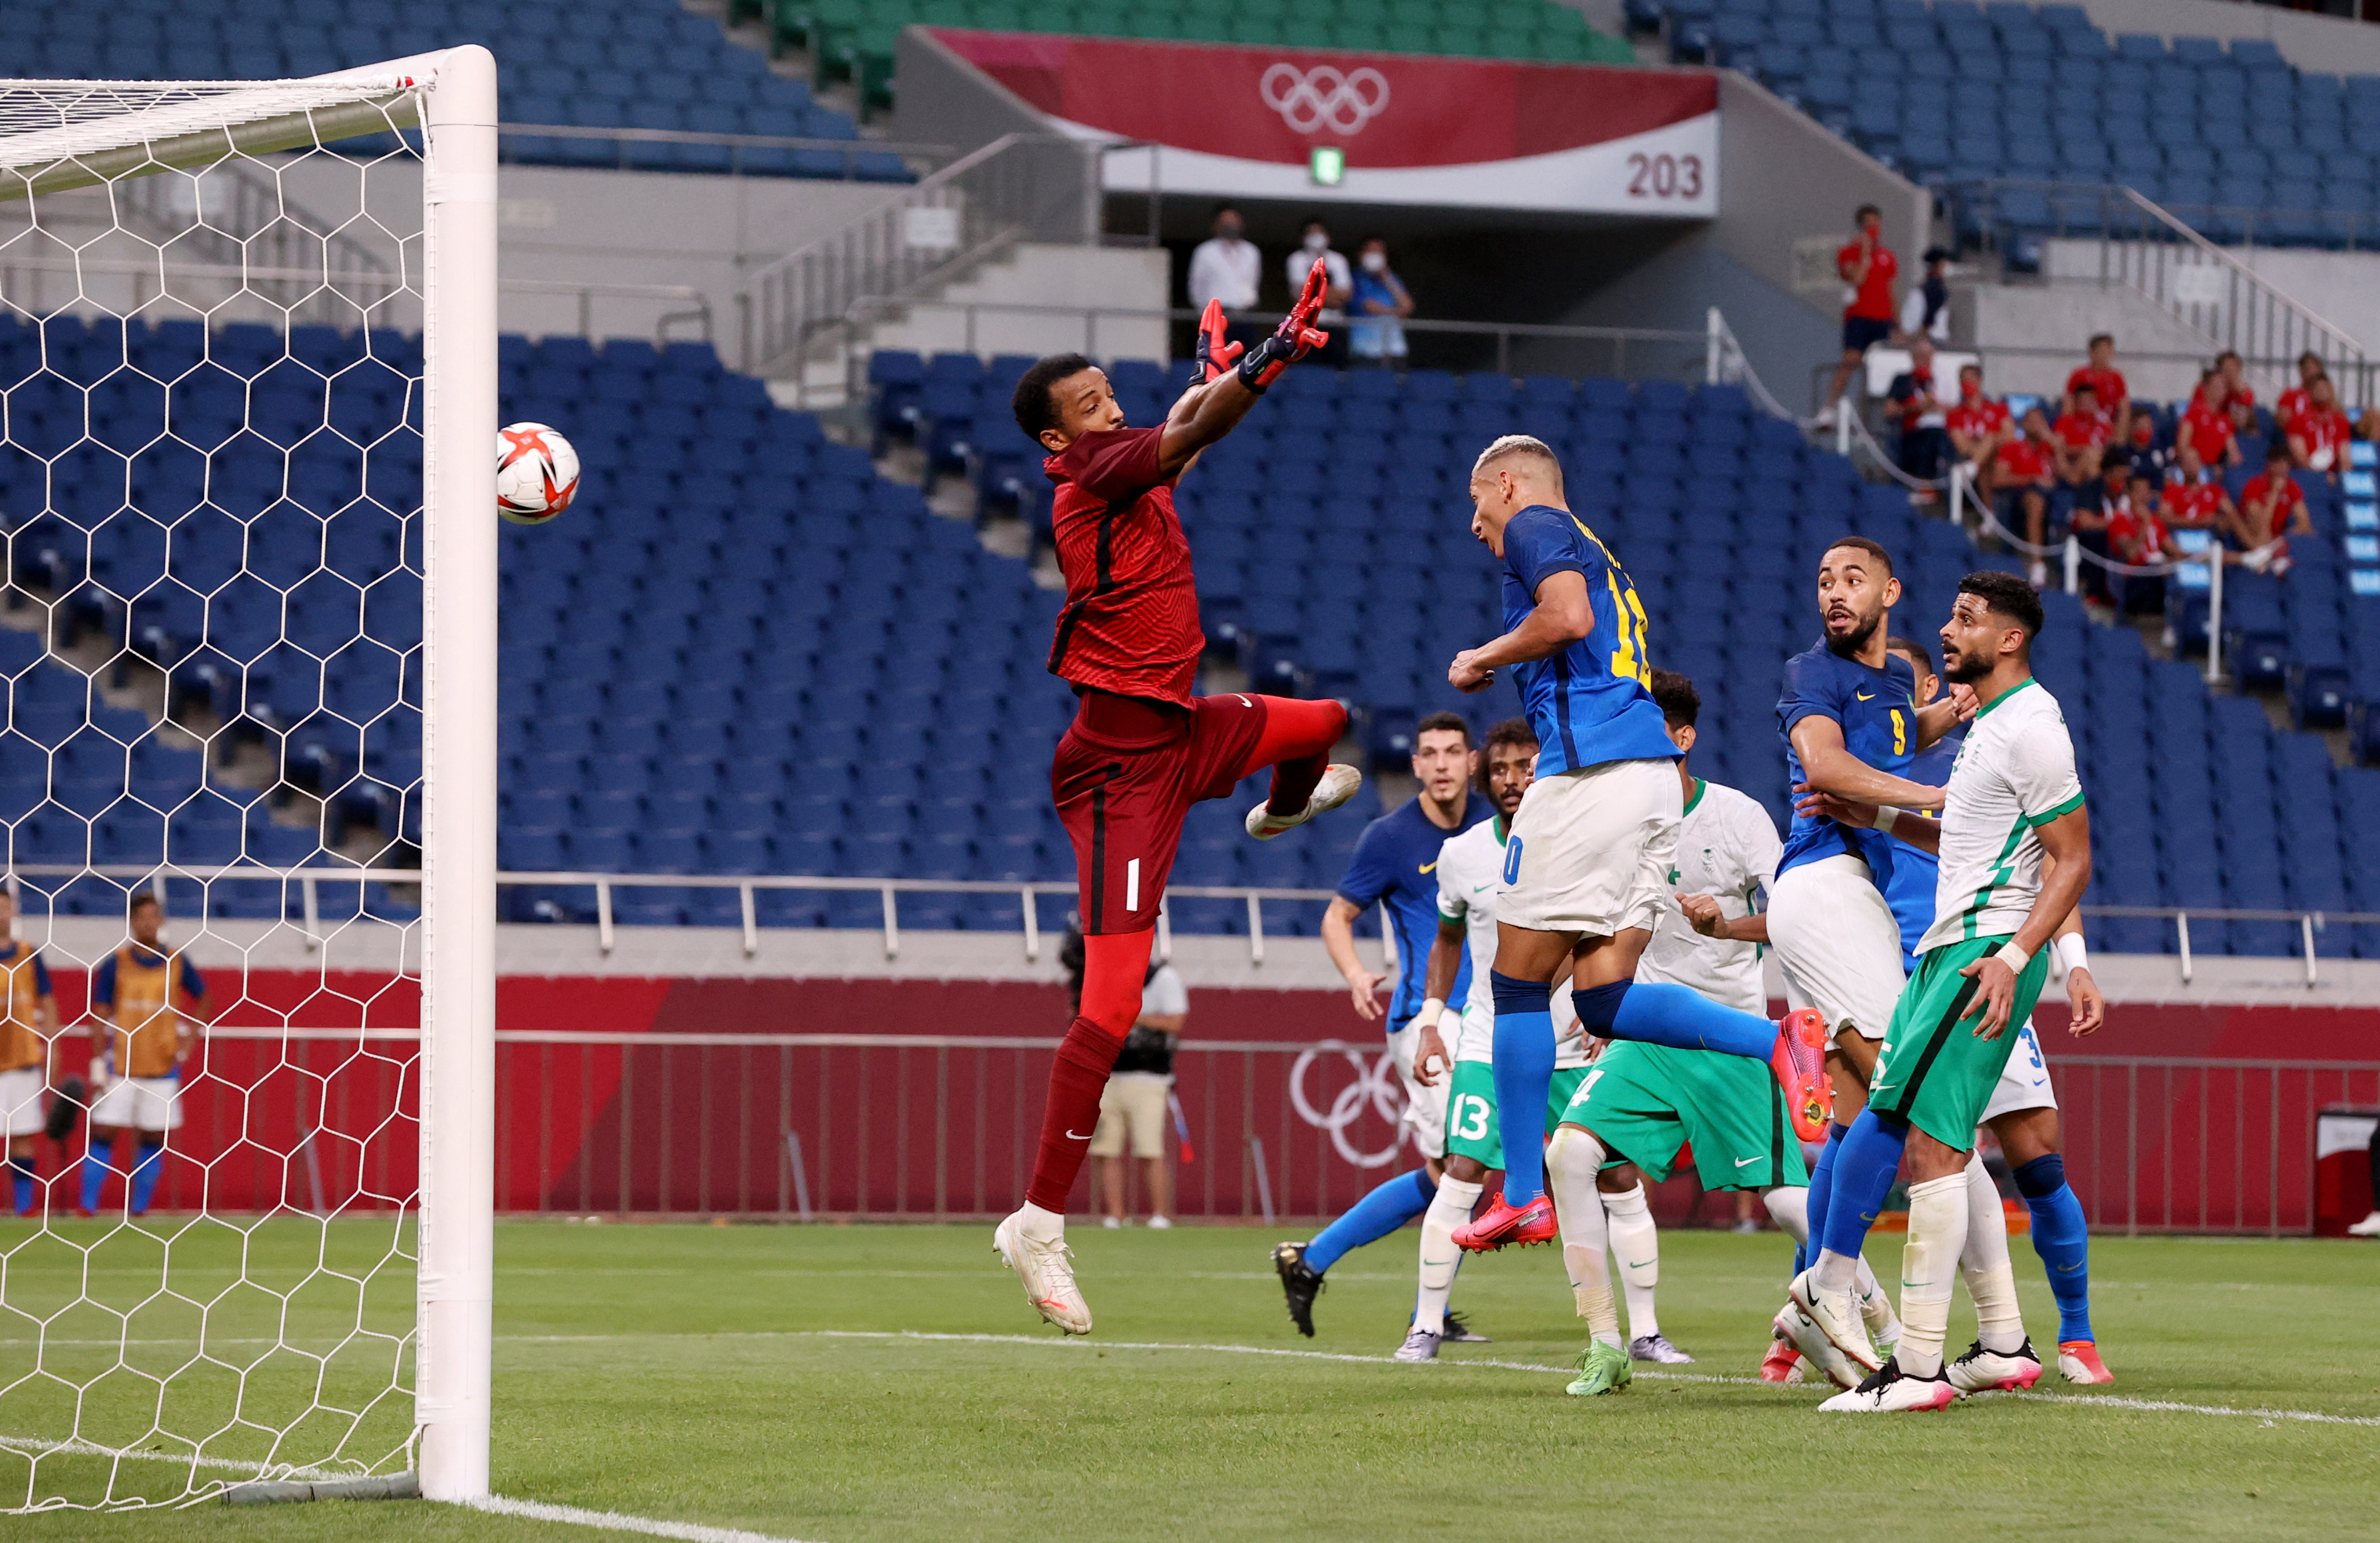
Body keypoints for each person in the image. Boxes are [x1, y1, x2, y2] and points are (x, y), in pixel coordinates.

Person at [993, 270, 1354, 1336]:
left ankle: (1280, 811)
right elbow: (1196, 425)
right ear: (1058, 441)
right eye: (1090, 401)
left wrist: (1221, 380)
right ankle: (1036, 1223)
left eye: (1110, 390)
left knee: (1323, 721)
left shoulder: (1123, 463)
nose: (1110, 405)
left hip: (1182, 734)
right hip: (1120, 773)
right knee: (1108, 1011)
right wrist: (1265, 358)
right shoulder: (1090, 475)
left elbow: (1193, 430)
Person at [1441, 435, 1831, 1255]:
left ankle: (1519, 1193)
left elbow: (1565, 618)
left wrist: (1484, 653)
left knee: (1514, 985)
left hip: (1592, 775)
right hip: (1651, 778)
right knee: (1600, 1002)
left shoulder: (1535, 524)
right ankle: (1777, 1040)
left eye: (1478, 504)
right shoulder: (1596, 548)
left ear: (1505, 485)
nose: (1476, 525)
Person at [1788, 571, 2096, 1414]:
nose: (1946, 629)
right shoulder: (1986, 728)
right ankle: (1997, 1345)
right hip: (1948, 949)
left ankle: (1915, 1368)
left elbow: (2072, 858)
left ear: (2009, 640)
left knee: (1923, 1144)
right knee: (1927, 1137)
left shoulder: (2032, 726)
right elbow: (1956, 837)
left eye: (1965, 619)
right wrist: (1872, 819)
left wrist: (2017, 953)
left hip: (1980, 950)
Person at [1544, 668, 1870, 1396]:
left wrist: (1727, 924)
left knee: (1790, 1203)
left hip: (1728, 1035)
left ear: (1682, 736)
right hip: (1646, 1033)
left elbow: (1795, 914)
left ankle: (1876, 1318)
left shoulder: (1737, 816)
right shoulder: (1616, 821)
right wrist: (1565, 999)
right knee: (1569, 1154)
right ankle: (1606, 1344)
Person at [1871, 634, 2115, 1388]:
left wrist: (2072, 966)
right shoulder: (1871, 784)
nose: (1921, 703)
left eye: (1921, 689)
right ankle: (1970, 1337)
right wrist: (1868, 811)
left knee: (2035, 1161)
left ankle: (2071, 1335)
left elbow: (2043, 870)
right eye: (1903, 693)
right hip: (1907, 985)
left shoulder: (1987, 756)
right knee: (1876, 1140)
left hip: (1983, 976)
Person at [1762, 540, 1964, 1362]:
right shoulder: (1812, 672)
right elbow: (1826, 765)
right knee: (1900, 1083)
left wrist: (1935, 723)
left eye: (1850, 579)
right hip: (1820, 883)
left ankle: (1820, 1295)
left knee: (1858, 1107)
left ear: (1890, 589)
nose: (1832, 593)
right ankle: (1827, 1283)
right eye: (1821, 580)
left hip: (1854, 889)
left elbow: (1880, 744)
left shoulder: (1884, 686)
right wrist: (1928, 789)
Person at [1271, 712, 1492, 1337]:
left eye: (1454, 751)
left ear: (1471, 761)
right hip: (1428, 1019)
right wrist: (1355, 973)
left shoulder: (1497, 826)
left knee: (1447, 1170)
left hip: (1489, 1015)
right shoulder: (1390, 836)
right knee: (1460, 1164)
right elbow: (1338, 916)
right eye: (1430, 753)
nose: (1443, 763)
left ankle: (1310, 1261)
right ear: (1416, 765)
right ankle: (1428, 1313)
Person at [1395, 717, 1586, 1361]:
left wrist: (1598, 1000)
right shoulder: (1464, 853)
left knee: (1610, 1181)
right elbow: (1447, 939)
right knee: (1463, 1171)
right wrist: (1430, 1022)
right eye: (1501, 769)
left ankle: (1635, 1330)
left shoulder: (1578, 842)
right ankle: (1425, 1324)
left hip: (1572, 1042)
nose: (1512, 780)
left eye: (1525, 766)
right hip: (1486, 1036)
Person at [81, 892, 211, 1219]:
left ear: (162, 920)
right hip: (123, 1065)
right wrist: (98, 1063)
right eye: (141, 917)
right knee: (105, 1131)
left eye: (153, 916)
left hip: (162, 1066)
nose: (148, 922)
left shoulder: (177, 961)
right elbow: (100, 1013)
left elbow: (205, 999)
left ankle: (139, 1209)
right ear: (132, 922)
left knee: (154, 1136)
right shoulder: (118, 962)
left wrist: (189, 1043)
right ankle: (88, 1207)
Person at [1091, 955, 1187, 1229]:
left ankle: (1159, 1214)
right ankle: (1115, 1214)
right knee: (1106, 1148)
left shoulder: (1163, 978)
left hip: (1149, 1077)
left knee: (1150, 1148)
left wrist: (1130, 1017)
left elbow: (1175, 1021)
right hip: (1110, 1074)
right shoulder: (1108, 977)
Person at [0, 889, 58, 1216]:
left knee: (22, 1136)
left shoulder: (28, 954)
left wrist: (53, 1046)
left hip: (22, 1060)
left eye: (5, 908)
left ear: (13, 912)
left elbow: (48, 1004)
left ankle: (25, 1208)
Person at [1820, 204, 1897, 427]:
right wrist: (1864, 251)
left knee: (1875, 369)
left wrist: (1897, 322)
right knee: (1850, 360)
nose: (1874, 228)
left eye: (1877, 224)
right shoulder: (1847, 253)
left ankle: (1866, 419)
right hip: (1859, 317)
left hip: (1882, 318)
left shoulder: (1888, 256)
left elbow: (1891, 290)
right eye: (1869, 224)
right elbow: (1857, 279)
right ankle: (1829, 407)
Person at [2233, 443, 2314, 575]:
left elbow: (2305, 522)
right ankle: (2264, 556)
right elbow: (2262, 523)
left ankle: (2267, 556)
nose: (2284, 468)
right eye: (2280, 463)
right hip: (2252, 534)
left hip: (2276, 537)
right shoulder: (2255, 485)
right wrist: (2275, 493)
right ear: (2270, 464)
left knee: (2311, 535)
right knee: (2255, 520)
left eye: (2287, 464)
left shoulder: (2292, 486)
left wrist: (2285, 535)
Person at [1994, 405, 2057, 571]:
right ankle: (2037, 562)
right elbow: (1998, 480)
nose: (2037, 425)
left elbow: (2069, 476)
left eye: (2040, 421)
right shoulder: (2012, 447)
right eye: (2032, 421)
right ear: (2023, 425)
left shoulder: (2050, 449)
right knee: (2035, 501)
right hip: (2021, 495)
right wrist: (2032, 479)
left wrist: (2056, 446)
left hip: (2053, 496)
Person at [1884, 335, 1951, 491]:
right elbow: (1889, 411)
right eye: (1922, 356)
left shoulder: (1940, 380)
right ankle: (1925, 485)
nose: (1926, 360)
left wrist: (1938, 406)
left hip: (1943, 429)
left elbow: (1954, 406)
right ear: (1914, 358)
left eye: (1929, 356)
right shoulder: (1902, 380)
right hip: (1913, 432)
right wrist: (1915, 408)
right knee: (1931, 436)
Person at [2107, 471, 2177, 617]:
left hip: (2159, 572)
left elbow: (2173, 550)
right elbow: (2131, 553)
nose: (2144, 496)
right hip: (2136, 576)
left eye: (2146, 491)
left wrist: (2199, 556)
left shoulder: (2157, 521)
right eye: (2139, 492)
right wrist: (2145, 525)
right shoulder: (2121, 521)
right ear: (2130, 494)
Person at [1286, 220, 1352, 366]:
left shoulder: (1338, 260)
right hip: (1307, 325)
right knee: (1310, 368)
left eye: (1320, 232)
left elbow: (1346, 295)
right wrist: (1331, 295)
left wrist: (1316, 294)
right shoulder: (1297, 260)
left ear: (1328, 237)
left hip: (1335, 324)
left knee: (1338, 368)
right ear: (1303, 238)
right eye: (1311, 233)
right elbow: (1300, 295)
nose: (1316, 236)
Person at [1945, 364, 2010, 499]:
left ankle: (1974, 466)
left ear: (1980, 381)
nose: (1967, 384)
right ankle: (1989, 514)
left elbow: (2010, 436)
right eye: (1963, 381)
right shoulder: (1955, 414)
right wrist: (1984, 449)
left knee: (1990, 438)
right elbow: (1962, 445)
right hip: (1972, 457)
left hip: (1998, 458)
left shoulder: (1998, 409)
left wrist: (1987, 442)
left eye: (1971, 380)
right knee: (1985, 462)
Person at [1347, 236, 1414, 366]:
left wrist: (1386, 277)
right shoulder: (1354, 278)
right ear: (1361, 255)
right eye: (1371, 251)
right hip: (1365, 350)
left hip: (1395, 349)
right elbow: (1369, 307)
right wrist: (1396, 312)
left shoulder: (1391, 278)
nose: (1375, 255)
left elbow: (1408, 306)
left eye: (1380, 252)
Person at [1185, 203, 1259, 320]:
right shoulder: (1206, 251)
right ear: (1216, 225)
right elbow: (1196, 285)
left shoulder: (1251, 251)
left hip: (1245, 314)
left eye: (1234, 222)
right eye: (1226, 222)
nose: (1231, 226)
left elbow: (1254, 281)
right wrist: (1202, 313)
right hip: (1216, 315)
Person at [2289, 374, 2353, 478]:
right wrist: (2321, 476)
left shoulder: (2340, 422)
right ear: (2310, 392)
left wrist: (2344, 475)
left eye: (2325, 388)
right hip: (2308, 474)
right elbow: (2301, 458)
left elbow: (2345, 457)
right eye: (2318, 389)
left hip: (2333, 474)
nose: (2322, 391)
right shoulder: (2298, 420)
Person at [2063, 332, 2127, 426]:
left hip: (2108, 427)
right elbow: (2069, 404)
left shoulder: (2116, 377)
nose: (2107, 356)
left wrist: (2120, 436)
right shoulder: (2079, 375)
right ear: (2092, 353)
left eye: (2109, 351)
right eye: (2103, 351)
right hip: (2082, 427)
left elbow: (2124, 407)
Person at [1898, 246, 1951, 344]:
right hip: (1932, 340)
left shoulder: (1921, 289)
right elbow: (1928, 318)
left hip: (1928, 338)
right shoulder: (1934, 290)